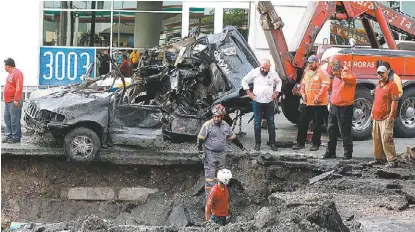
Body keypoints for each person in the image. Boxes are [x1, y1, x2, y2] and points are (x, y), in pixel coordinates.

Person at [197, 104, 247, 197]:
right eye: (215, 116)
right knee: (210, 177)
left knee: (222, 175)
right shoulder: (207, 125)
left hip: (221, 154)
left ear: (222, 116)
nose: (216, 118)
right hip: (210, 153)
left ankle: (221, 196)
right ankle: (209, 198)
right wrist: (200, 151)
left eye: (218, 117)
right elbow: (200, 138)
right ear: (212, 116)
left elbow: (233, 138)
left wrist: (242, 147)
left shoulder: (225, 126)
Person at [241, 58, 282, 151]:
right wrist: (249, 93)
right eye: (263, 68)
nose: (265, 70)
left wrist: (276, 92)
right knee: (257, 123)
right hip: (257, 101)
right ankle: (258, 143)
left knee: (271, 123)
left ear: (269, 67)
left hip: (269, 102)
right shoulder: (254, 72)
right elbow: (244, 80)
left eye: (267, 69)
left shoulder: (273, 73)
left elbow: (279, 81)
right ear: (260, 66)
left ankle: (272, 143)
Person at [292, 55, 330, 151]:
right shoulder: (307, 72)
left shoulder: (322, 73)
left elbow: (325, 86)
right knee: (302, 121)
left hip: (319, 103)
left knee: (317, 124)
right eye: (308, 63)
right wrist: (303, 94)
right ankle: (300, 142)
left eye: (311, 63)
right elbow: (303, 85)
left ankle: (316, 144)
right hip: (308, 102)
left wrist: (318, 97)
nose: (309, 65)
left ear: (317, 62)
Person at [322, 60, 356, 160]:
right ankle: (330, 152)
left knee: (345, 131)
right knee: (331, 130)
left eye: (336, 72)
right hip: (334, 106)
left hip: (345, 107)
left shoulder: (348, 76)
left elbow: (350, 78)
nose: (334, 74)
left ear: (341, 70)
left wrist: (344, 71)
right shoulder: (337, 78)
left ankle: (347, 154)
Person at [370, 65, 400, 168]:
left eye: (382, 72)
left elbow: (395, 101)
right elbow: (376, 100)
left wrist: (391, 116)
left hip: (386, 117)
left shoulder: (392, 85)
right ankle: (379, 159)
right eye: (378, 73)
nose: (380, 75)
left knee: (387, 138)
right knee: (376, 139)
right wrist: (372, 113)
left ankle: (392, 160)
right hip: (376, 117)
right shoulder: (378, 85)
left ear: (387, 73)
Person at [2, 58, 24, 143]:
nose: (4, 67)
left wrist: (16, 99)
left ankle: (16, 137)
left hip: (14, 101)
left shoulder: (17, 73)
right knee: (7, 118)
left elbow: (19, 87)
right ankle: (9, 135)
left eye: (5, 65)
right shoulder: (10, 74)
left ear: (8, 66)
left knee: (14, 120)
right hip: (8, 101)